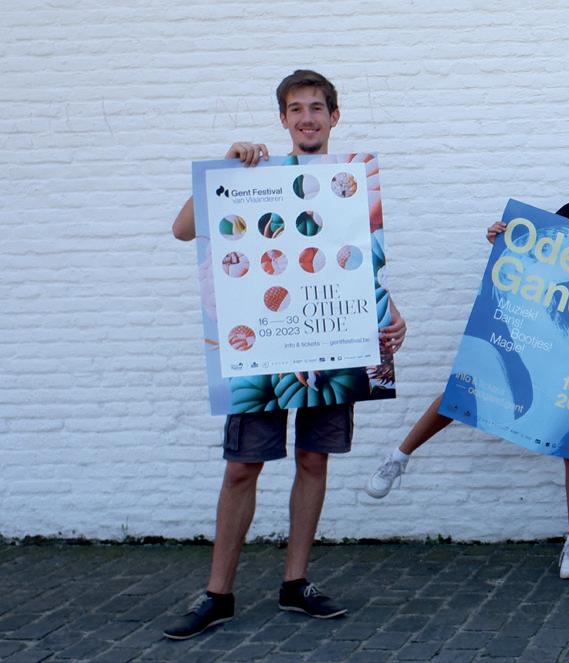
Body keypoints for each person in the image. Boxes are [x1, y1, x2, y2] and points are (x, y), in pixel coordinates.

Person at [164, 70, 407, 640]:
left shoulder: (350, 181)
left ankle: (296, 583)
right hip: (261, 346)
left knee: (314, 461)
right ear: (283, 119)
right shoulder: (254, 174)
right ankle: (218, 594)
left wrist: (392, 315)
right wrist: (224, 168)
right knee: (242, 467)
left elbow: (360, 263)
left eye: (316, 108)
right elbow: (182, 230)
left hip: (330, 339)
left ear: (333, 116)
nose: (307, 118)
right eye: (296, 109)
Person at [364, 148, 569, 580]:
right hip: (538, 324)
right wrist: (504, 241)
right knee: (468, 383)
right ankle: (398, 457)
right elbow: (535, 261)